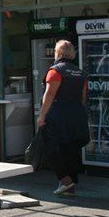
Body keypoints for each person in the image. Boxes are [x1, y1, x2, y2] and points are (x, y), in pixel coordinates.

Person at [37, 40, 89, 196]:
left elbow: (50, 94)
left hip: (58, 113)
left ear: (58, 53)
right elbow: (83, 97)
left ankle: (65, 180)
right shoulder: (80, 73)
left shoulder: (55, 71)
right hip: (77, 113)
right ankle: (69, 186)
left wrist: (42, 115)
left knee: (50, 147)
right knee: (70, 149)